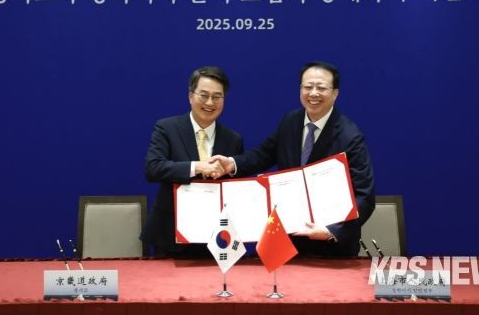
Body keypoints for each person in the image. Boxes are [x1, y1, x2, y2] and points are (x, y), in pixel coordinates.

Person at [211, 61, 375, 257]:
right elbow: (263, 155)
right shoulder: (290, 121)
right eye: (308, 87)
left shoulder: (350, 136)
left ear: (335, 93)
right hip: (289, 243)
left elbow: (364, 196)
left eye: (321, 88)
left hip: (331, 249)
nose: (313, 93)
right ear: (300, 90)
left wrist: (332, 231)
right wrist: (233, 164)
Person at [141, 66, 243, 257]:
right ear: (190, 96)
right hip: (171, 235)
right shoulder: (167, 128)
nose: (210, 102)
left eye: (217, 97)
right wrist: (196, 167)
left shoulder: (233, 139)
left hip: (215, 239)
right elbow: (153, 168)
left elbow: (235, 188)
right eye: (203, 95)